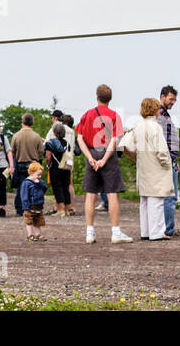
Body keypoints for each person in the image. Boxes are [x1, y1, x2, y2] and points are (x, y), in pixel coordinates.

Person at [76, 85, 132, 243]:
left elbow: (79, 137)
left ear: (97, 97)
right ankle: (115, 232)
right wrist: (104, 159)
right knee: (112, 192)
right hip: (108, 154)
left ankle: (90, 232)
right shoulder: (114, 116)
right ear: (110, 98)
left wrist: (90, 157)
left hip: (92, 152)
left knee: (91, 193)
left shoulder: (87, 114)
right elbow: (115, 140)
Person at [118, 98, 173, 240]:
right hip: (155, 167)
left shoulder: (138, 126)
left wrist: (136, 158)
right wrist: (167, 164)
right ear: (155, 110)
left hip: (142, 166)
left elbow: (125, 144)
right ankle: (157, 233)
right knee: (157, 200)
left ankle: (145, 232)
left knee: (145, 201)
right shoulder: (155, 127)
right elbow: (161, 150)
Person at [157, 85, 180, 238]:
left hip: (171, 159)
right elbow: (160, 139)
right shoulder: (160, 115)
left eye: (174, 100)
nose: (173, 102)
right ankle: (168, 228)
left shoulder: (165, 114)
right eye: (171, 99)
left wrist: (175, 160)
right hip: (166, 160)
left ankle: (168, 227)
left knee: (170, 195)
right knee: (169, 195)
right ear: (163, 96)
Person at [11, 113, 44, 216]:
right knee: (33, 187)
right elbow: (40, 152)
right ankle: (32, 207)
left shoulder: (16, 136)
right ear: (32, 122)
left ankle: (20, 208)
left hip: (20, 164)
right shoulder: (37, 136)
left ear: (22, 122)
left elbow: (12, 152)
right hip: (33, 165)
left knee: (21, 187)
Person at [43, 120, 75, 216]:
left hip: (55, 168)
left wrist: (48, 165)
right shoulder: (67, 143)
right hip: (66, 167)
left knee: (57, 188)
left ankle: (60, 210)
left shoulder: (50, 143)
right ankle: (67, 208)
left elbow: (48, 157)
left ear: (54, 132)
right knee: (66, 187)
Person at [20, 162, 48, 241]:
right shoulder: (26, 183)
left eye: (40, 175)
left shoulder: (40, 182)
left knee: (38, 221)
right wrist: (25, 206)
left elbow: (45, 188)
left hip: (39, 205)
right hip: (30, 206)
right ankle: (30, 235)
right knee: (29, 221)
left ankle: (38, 235)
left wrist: (39, 184)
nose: (39, 176)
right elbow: (24, 195)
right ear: (31, 173)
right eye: (38, 174)